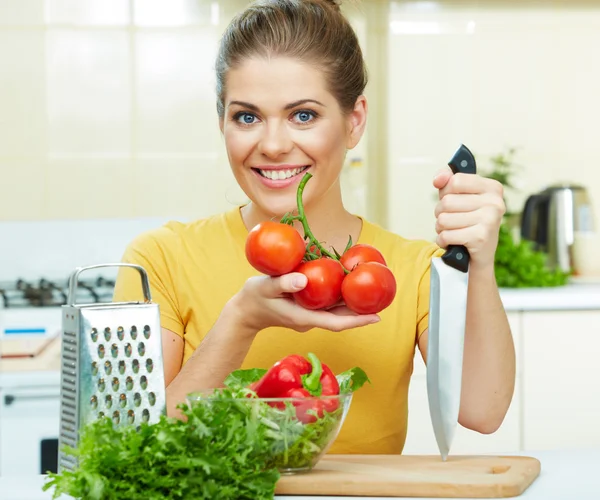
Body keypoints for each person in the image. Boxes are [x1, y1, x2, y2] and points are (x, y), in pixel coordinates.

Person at [113, 0, 516, 455]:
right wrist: (240, 323)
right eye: (247, 117)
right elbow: (129, 452)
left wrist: (479, 263)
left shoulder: (409, 269)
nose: (273, 145)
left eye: (303, 115)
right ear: (221, 121)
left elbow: (483, 410)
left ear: (354, 120)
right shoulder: (159, 259)